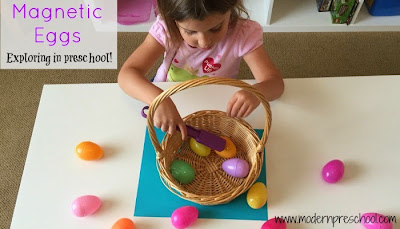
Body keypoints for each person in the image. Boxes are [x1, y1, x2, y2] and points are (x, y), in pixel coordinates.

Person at [118, 0, 284, 140]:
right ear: (173, 21)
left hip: (218, 101)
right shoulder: (167, 30)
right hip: (169, 95)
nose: (204, 42)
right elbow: (127, 74)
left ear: (231, 10)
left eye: (216, 28)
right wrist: (158, 99)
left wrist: (256, 93)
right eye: (190, 32)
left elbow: (275, 84)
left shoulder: (242, 34)